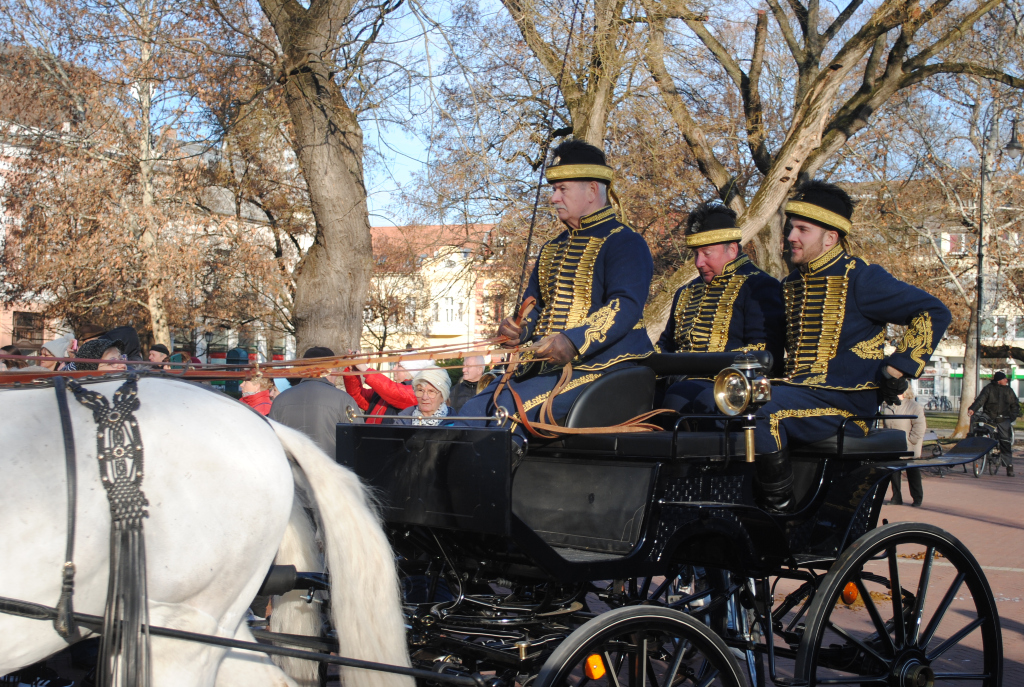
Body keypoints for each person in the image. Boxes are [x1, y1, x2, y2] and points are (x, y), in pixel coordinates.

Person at [729, 180, 951, 511]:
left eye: (802, 229)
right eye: (791, 227)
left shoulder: (862, 278)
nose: (791, 236)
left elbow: (933, 311)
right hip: (798, 392)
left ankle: (780, 513)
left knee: (763, 414)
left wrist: (899, 365)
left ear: (830, 238)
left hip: (846, 403)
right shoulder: (791, 284)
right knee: (725, 405)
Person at [458, 140, 655, 433]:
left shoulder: (624, 241)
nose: (553, 198)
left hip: (602, 367)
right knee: (470, 412)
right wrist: (516, 329)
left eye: (562, 189)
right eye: (553, 189)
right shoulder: (551, 248)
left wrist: (573, 340)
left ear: (591, 190)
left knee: (502, 419)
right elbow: (533, 306)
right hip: (545, 368)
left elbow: (624, 305)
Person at [656, 201, 785, 411]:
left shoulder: (759, 286)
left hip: (726, 388)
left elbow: (764, 351)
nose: (699, 263)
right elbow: (666, 345)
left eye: (707, 253)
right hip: (674, 382)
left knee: (678, 398)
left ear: (732, 250)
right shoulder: (686, 292)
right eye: (696, 254)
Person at [268, 346, 361, 456]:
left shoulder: (280, 400)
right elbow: (358, 441)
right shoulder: (344, 400)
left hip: (291, 470)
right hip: (331, 470)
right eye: (336, 368)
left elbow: (271, 442)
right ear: (329, 369)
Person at [343, 355, 422, 423]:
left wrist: (365, 369)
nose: (393, 369)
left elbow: (394, 392)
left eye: (399, 366)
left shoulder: (416, 390)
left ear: (411, 371)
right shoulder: (386, 391)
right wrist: (352, 371)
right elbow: (359, 396)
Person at [969, 371, 1019, 476]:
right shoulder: (988, 388)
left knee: (1005, 441)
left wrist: (1012, 417)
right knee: (979, 426)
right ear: (999, 380)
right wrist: (972, 409)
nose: (1006, 380)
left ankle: (1009, 466)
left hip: (1004, 417)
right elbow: (980, 400)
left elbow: (1015, 405)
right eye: (1005, 379)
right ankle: (980, 449)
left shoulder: (1009, 391)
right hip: (989, 416)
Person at [882, 387, 926, 506]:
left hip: (910, 446)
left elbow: (920, 427)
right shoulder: (888, 406)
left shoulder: (914, 406)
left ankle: (917, 498)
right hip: (893, 446)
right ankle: (896, 497)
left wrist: (911, 441)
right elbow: (885, 426)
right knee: (894, 472)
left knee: (913, 472)